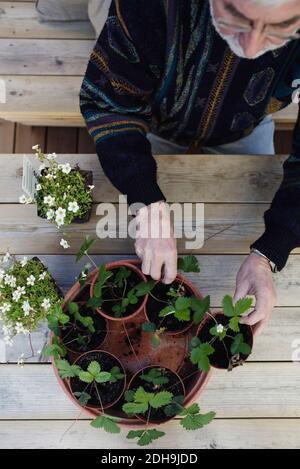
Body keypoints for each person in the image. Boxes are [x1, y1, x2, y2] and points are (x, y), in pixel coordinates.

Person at [80, 0, 300, 334]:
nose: (252, 48)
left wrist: (270, 252)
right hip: (154, 113)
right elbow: (110, 101)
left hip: (245, 123)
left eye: (281, 28)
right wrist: (145, 199)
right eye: (236, 17)